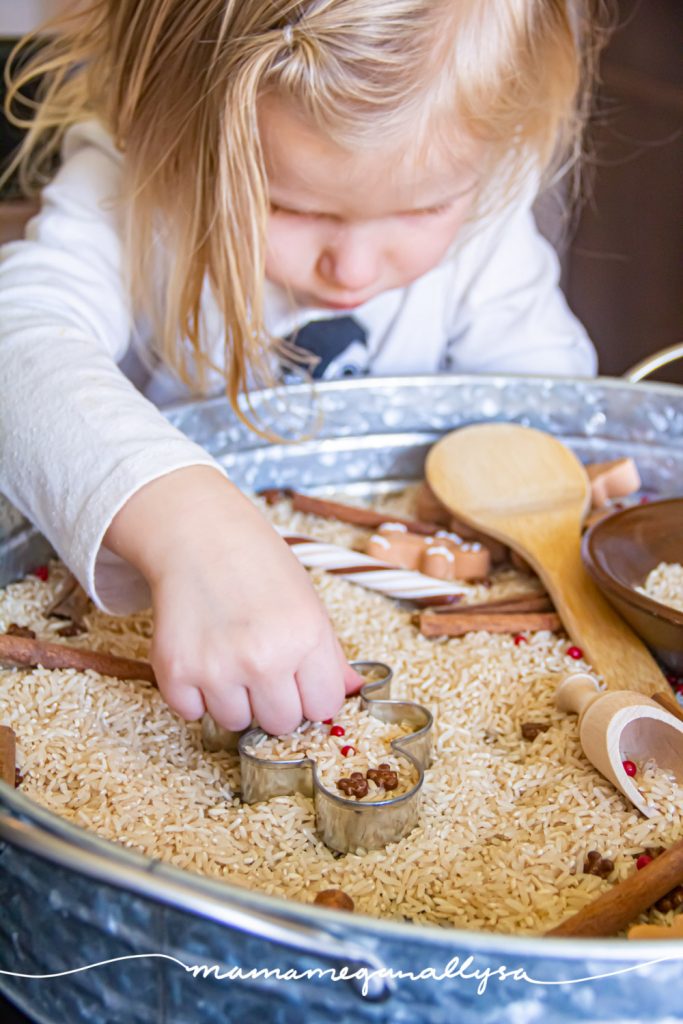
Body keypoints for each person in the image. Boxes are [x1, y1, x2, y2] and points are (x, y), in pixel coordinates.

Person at [0, 0, 610, 735]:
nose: (350, 268)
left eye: (424, 210)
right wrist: (191, 529)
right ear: (157, 124)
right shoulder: (130, 192)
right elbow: (18, 342)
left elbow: (541, 400)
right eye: (287, 206)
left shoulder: (486, 214)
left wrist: (560, 471)